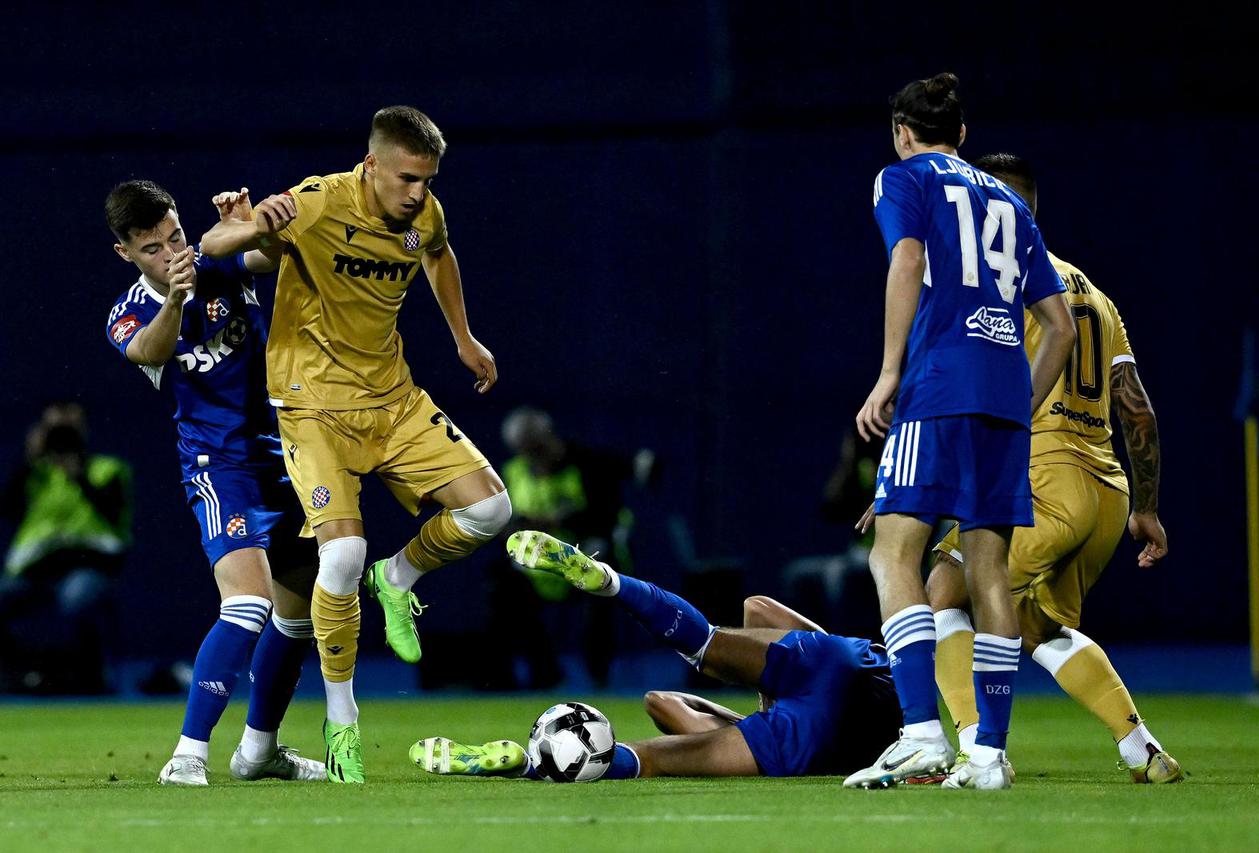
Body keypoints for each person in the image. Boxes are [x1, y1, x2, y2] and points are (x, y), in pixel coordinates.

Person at [199, 106, 512, 783]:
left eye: (427, 179)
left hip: (391, 400)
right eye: (405, 178)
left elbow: (439, 252)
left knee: (492, 510)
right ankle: (342, 721)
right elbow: (217, 249)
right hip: (311, 406)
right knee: (339, 552)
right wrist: (253, 221)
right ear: (370, 166)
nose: (417, 193)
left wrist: (463, 337)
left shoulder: (423, 212)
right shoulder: (316, 203)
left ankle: (398, 578)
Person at [844, 73, 1075, 790]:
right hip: (1004, 396)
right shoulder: (1009, 198)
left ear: (902, 132)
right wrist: (1021, 401)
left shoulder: (901, 177)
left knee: (892, 551)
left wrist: (888, 374)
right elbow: (1059, 326)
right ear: (965, 136)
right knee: (988, 571)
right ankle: (988, 754)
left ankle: (919, 733)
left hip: (938, 385)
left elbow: (908, 259)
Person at [921, 153, 1181, 783]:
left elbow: (970, 393)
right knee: (1035, 624)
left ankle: (974, 749)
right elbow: (1138, 413)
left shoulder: (999, 284)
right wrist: (1145, 507)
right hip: (1106, 492)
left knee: (942, 591)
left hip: (1044, 478)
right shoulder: (1095, 295)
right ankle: (1140, 746)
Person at [104, 180, 324, 786]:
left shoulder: (217, 262)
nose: (171, 253)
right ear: (126, 253)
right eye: (152, 248)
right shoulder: (130, 312)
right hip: (216, 467)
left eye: (174, 236)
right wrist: (174, 298)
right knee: (247, 602)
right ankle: (188, 755)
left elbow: (277, 253)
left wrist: (252, 226)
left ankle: (259, 751)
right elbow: (149, 351)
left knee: (301, 612)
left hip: (282, 459)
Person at [409, 529, 902, 780]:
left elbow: (663, 699)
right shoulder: (761, 736)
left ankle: (611, 582)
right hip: (847, 709)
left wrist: (768, 691)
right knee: (646, 758)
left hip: (837, 670)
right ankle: (527, 764)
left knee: (702, 644)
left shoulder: (762, 731)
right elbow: (664, 703)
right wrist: (762, 705)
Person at [488, 406, 652, 688]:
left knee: (602, 584)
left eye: (539, 449)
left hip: (587, 559)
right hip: (539, 568)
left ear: (551, 438)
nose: (535, 458)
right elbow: (501, 523)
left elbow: (606, 517)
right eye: (527, 452)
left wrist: (559, 520)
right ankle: (540, 672)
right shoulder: (513, 472)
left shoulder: (590, 465)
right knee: (500, 585)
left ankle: (598, 673)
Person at [0, 401, 131, 694]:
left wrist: (78, 473)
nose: (61, 435)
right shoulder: (36, 475)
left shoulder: (106, 468)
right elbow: (9, 509)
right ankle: (21, 675)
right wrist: (29, 458)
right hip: (35, 570)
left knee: (76, 598)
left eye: (68, 428)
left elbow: (112, 510)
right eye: (54, 429)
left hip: (88, 565)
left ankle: (88, 678)